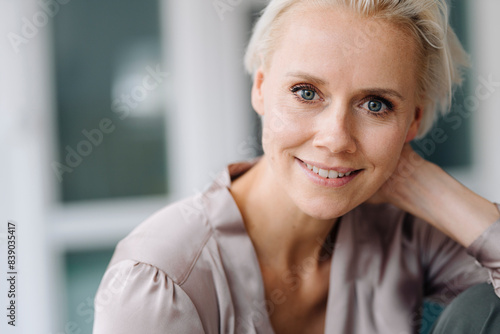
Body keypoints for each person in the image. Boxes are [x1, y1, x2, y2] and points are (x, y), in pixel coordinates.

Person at [93, 0, 500, 333]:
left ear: (413, 120)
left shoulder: (404, 232)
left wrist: (432, 188)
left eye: (376, 104)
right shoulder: (160, 281)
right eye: (306, 93)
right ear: (260, 89)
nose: (336, 138)